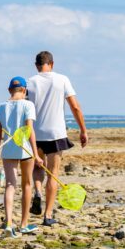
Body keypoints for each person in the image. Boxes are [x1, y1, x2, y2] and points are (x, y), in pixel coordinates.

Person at [27, 51, 87, 226]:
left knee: (38, 167)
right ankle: (47, 214)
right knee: (53, 175)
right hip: (56, 133)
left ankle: (37, 191)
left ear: (36, 65)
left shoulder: (30, 82)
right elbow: (75, 107)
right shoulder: (62, 79)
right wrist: (83, 130)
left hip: (35, 133)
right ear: (51, 64)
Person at [0, 76, 43, 237]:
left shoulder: (1, 107)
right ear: (24, 90)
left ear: (9, 90)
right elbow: (30, 131)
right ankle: (24, 224)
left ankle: (8, 224)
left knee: (10, 185)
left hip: (8, 150)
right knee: (27, 184)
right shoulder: (28, 105)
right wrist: (36, 154)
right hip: (25, 150)